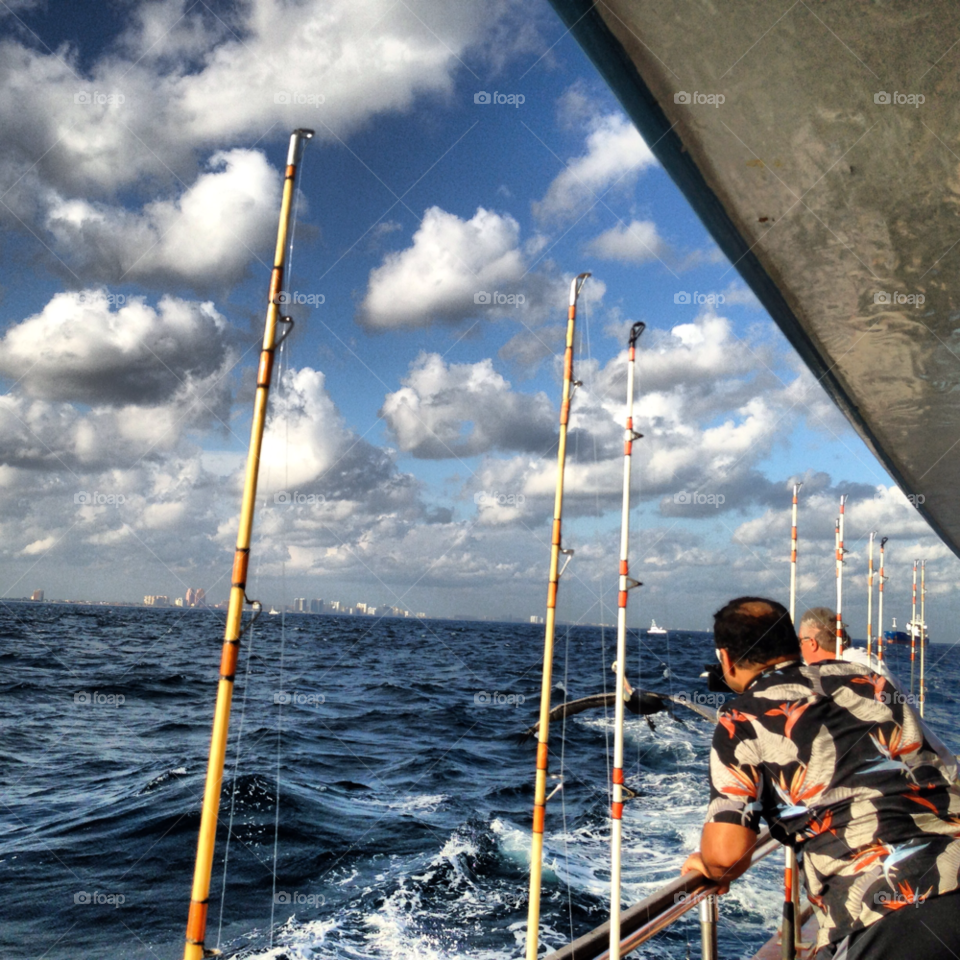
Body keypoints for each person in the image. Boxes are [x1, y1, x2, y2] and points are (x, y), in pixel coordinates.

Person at [681, 596, 960, 959]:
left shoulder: (741, 720)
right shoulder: (870, 682)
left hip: (889, 909)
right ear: (793, 645)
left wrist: (708, 863)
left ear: (726, 659)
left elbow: (728, 855)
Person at [798, 606, 895, 681]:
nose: (799, 646)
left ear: (812, 644)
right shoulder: (866, 661)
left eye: (800, 641)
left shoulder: (855, 668)